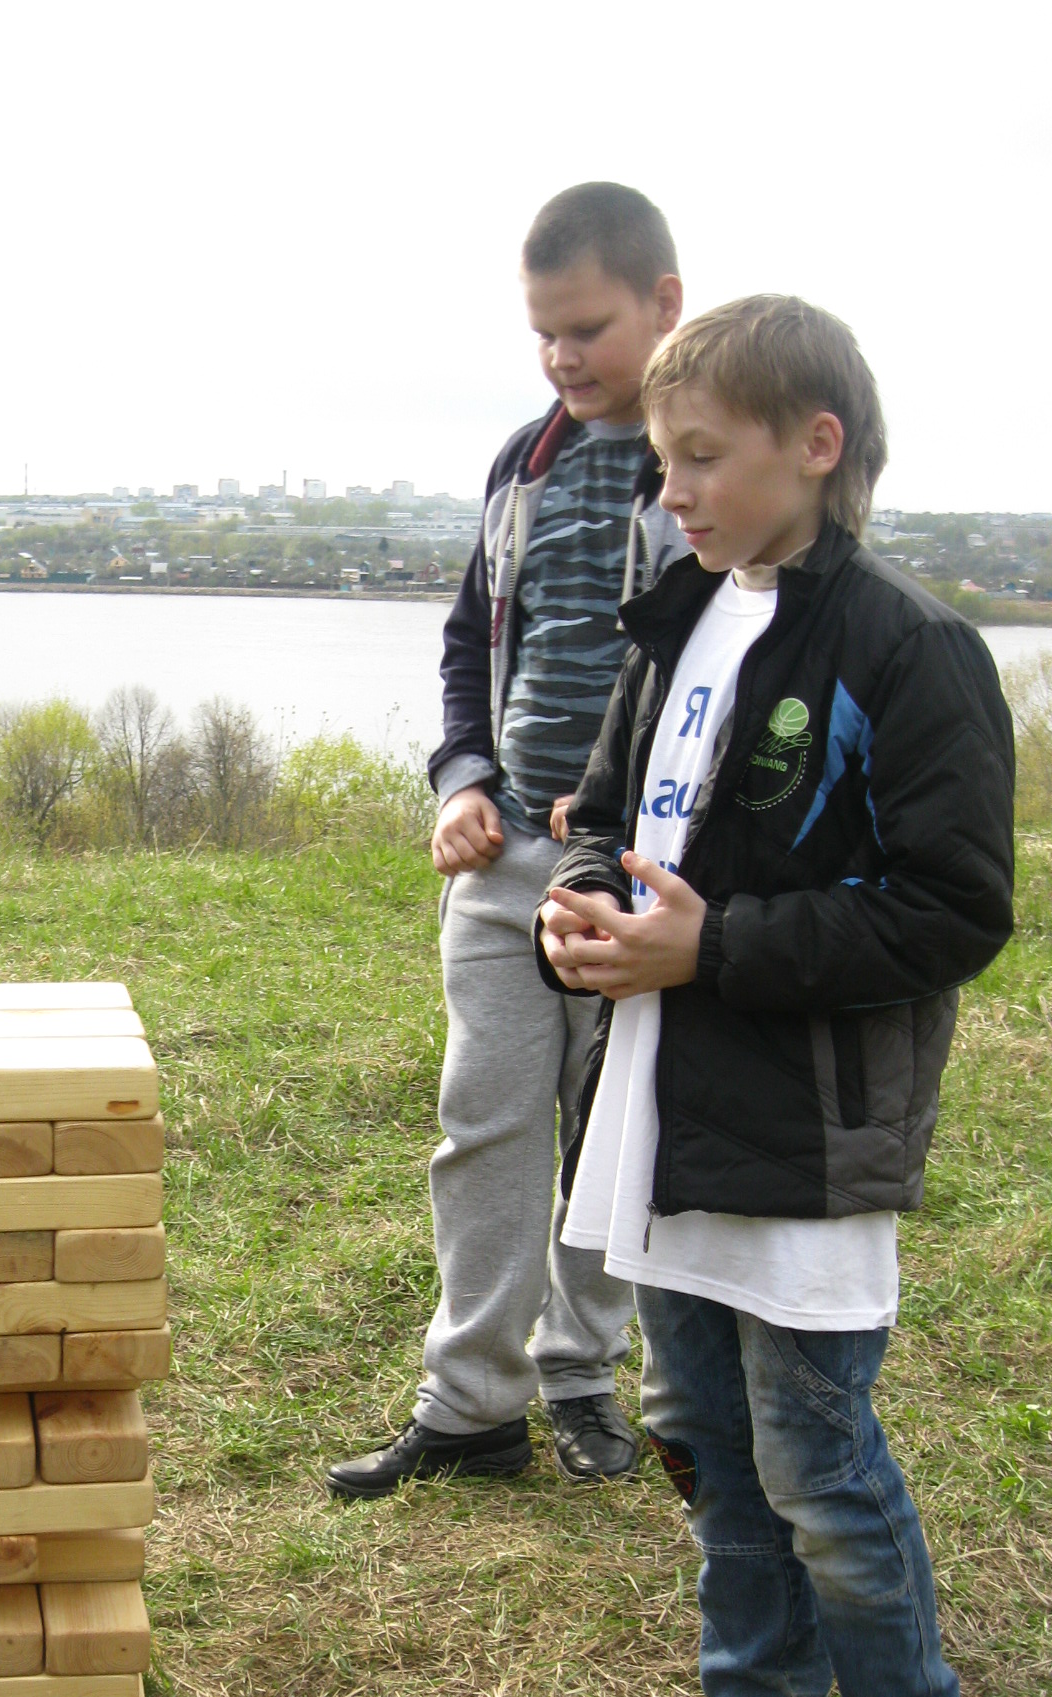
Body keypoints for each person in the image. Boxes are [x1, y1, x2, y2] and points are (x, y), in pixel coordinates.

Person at [537, 296, 1014, 1697]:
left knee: (816, 1458)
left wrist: (716, 948)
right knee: (702, 1435)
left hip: (805, 1134)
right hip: (661, 1115)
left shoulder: (907, 645)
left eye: (701, 456)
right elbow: (606, 821)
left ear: (816, 445)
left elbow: (954, 910)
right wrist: (577, 919)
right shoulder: (682, 618)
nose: (671, 489)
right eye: (661, 461)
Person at [328, 184, 685, 1500]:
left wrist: (622, 811)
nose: (562, 357)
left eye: (587, 328)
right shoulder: (520, 467)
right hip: (501, 869)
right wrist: (461, 780)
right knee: (481, 1124)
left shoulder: (702, 468)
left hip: (630, 876)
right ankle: (471, 1404)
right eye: (543, 333)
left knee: (606, 1131)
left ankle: (580, 1372)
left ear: (664, 304)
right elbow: (466, 649)